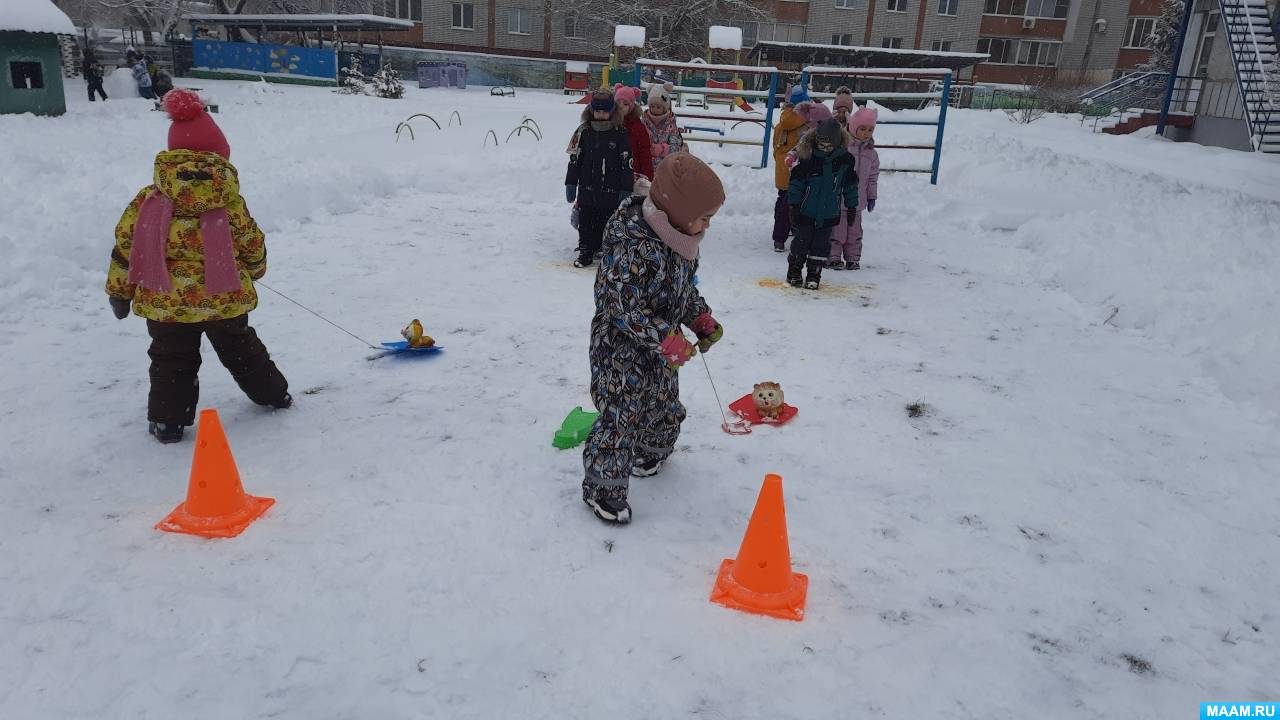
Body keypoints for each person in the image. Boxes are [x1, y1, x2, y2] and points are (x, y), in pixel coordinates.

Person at [105, 89, 290, 444]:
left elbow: (126, 248)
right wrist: (256, 268)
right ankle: (273, 395)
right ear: (219, 156)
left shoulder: (150, 199)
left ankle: (168, 422)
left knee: (171, 359)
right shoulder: (228, 200)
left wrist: (119, 292)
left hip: (165, 302)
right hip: (224, 299)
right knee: (242, 349)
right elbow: (251, 241)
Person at [581, 153, 726, 524]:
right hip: (620, 347)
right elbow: (620, 305)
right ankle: (605, 485)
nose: (707, 225)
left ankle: (653, 449)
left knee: (663, 403)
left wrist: (700, 317)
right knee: (621, 414)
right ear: (678, 209)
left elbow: (684, 289)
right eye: (705, 216)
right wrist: (665, 338)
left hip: (663, 347)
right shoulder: (631, 242)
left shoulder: (682, 238)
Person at [786, 118, 858, 290]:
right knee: (800, 243)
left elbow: (850, 186)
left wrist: (852, 206)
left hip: (828, 214)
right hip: (806, 212)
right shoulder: (808, 159)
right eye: (822, 145)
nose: (825, 149)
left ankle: (814, 273)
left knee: (821, 246)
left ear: (838, 143)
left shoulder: (844, 161)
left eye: (829, 146)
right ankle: (794, 271)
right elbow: (796, 184)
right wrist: (793, 205)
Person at [565, 89, 634, 268]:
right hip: (587, 189)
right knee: (586, 221)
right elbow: (574, 159)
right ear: (591, 111)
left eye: (604, 112)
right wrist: (571, 183)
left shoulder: (620, 134)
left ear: (611, 112)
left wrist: (626, 188)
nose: (601, 115)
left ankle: (606, 248)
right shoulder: (584, 133)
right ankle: (586, 250)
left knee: (607, 220)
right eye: (597, 111)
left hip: (610, 189)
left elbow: (627, 163)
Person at [829, 106, 880, 271]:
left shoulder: (871, 154)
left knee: (854, 232)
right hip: (839, 200)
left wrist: (871, 196)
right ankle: (833, 257)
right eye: (862, 129)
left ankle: (852, 258)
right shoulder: (842, 148)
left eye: (870, 130)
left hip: (857, 202)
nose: (866, 133)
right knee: (837, 231)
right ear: (852, 127)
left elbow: (872, 177)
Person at [771, 85, 810, 253]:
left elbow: (775, 147)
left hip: (783, 169)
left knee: (782, 201)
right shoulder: (806, 125)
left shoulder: (781, 124)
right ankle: (790, 229)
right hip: (798, 170)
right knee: (794, 204)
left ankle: (779, 235)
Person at [613, 84, 655, 181]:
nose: (621, 106)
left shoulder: (637, 127)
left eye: (625, 104)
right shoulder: (610, 123)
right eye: (618, 102)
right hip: (611, 174)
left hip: (632, 174)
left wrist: (647, 177)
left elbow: (645, 153)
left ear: (631, 106)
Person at [641, 81, 683, 168]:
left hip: (666, 167)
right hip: (646, 165)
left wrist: (662, 149)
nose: (655, 109)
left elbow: (676, 147)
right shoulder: (644, 122)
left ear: (665, 108)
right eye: (652, 106)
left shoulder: (671, 125)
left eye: (658, 107)